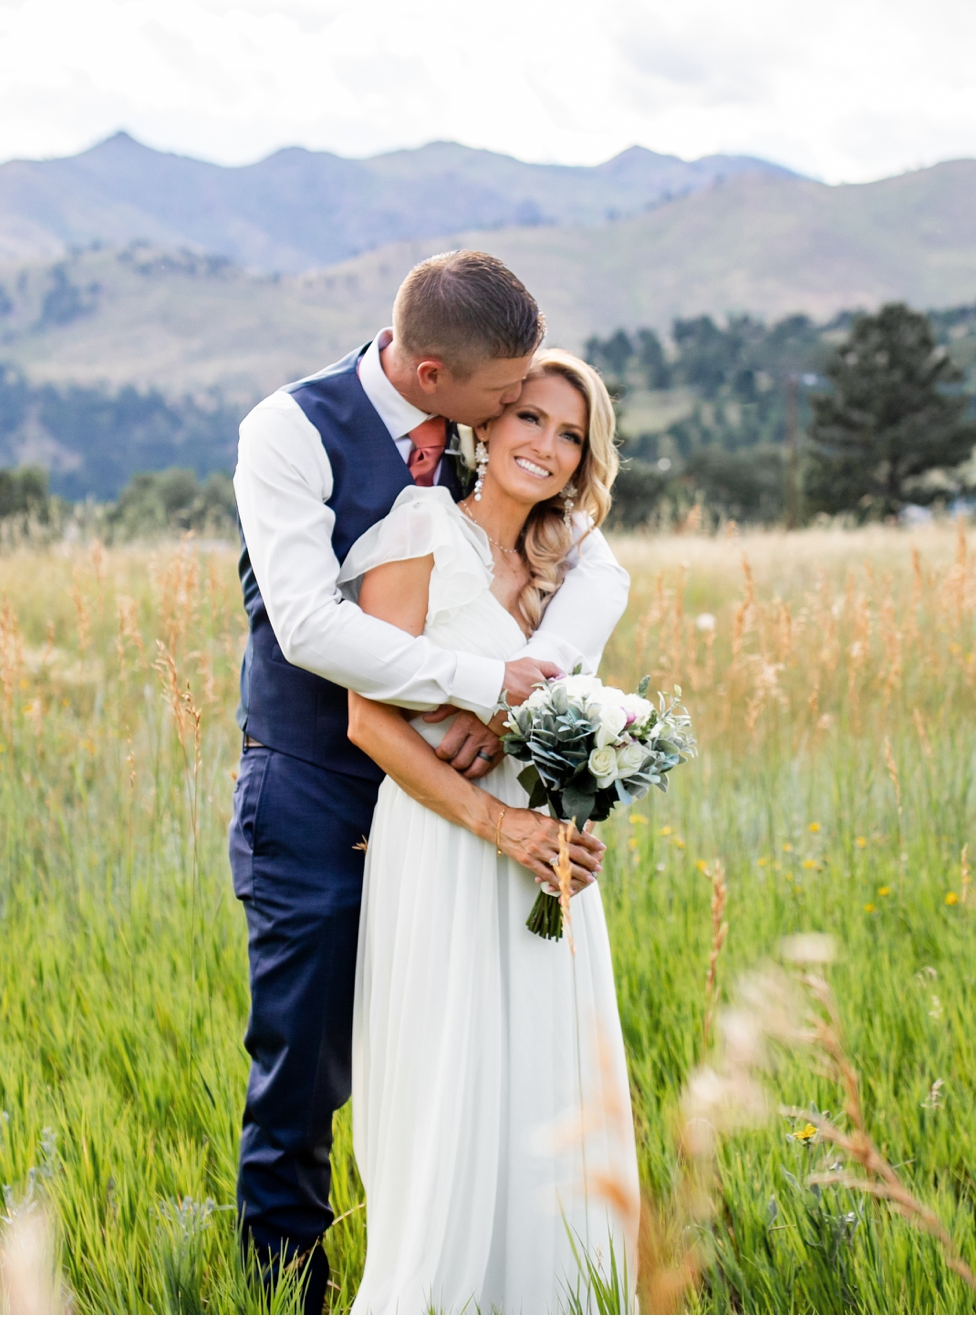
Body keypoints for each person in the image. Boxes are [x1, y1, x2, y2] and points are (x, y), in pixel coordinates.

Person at [230, 251, 630, 1310]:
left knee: (474, 1047)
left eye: (546, 411)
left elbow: (592, 557)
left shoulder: (469, 457)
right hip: (317, 782)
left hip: (448, 816)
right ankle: (293, 1297)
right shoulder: (291, 431)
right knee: (304, 1063)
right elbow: (312, 625)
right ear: (437, 375)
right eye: (509, 399)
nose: (520, 414)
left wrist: (529, 698)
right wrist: (479, 689)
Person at [342, 347, 640, 1313]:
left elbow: (572, 695)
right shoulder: (420, 528)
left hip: (547, 855)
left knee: (548, 1072)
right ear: (487, 421)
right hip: (445, 842)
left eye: (571, 436)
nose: (547, 447)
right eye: (531, 420)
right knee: (453, 1069)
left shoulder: (570, 563)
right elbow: (368, 718)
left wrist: (568, 802)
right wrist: (495, 820)